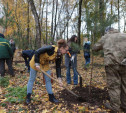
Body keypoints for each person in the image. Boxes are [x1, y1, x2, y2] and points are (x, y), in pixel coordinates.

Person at [92, 27, 126, 113]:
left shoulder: (106, 37)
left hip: (111, 64)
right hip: (125, 64)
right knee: (124, 84)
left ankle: (115, 107)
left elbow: (95, 48)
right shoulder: (124, 35)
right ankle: (124, 105)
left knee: (114, 86)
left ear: (107, 31)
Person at [26, 39, 69, 104]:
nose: (67, 52)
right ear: (62, 48)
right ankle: (28, 97)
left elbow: (58, 67)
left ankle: (51, 97)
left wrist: (59, 79)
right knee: (32, 79)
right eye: (66, 50)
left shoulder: (59, 55)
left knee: (48, 80)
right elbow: (37, 52)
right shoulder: (50, 48)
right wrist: (37, 63)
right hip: (35, 61)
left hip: (44, 64)